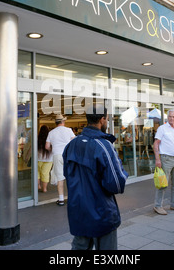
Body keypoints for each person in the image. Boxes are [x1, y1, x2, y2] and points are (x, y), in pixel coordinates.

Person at [63, 104, 128, 250]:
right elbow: (117, 184)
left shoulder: (71, 145)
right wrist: (123, 173)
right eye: (106, 118)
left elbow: (67, 175)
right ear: (102, 119)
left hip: (78, 212)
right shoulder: (104, 145)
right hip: (102, 212)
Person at [153, 109, 174, 215]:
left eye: (173, 117)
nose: (171, 118)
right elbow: (156, 144)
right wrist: (158, 159)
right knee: (163, 183)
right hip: (165, 159)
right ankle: (158, 206)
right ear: (168, 117)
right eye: (170, 116)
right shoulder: (162, 128)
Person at [46, 114, 75, 206]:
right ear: (63, 121)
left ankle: (61, 199)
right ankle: (72, 198)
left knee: (60, 179)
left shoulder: (51, 132)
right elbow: (74, 142)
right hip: (68, 155)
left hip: (57, 155)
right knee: (70, 177)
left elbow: (47, 146)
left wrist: (53, 149)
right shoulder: (69, 130)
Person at [37, 125, 53, 193]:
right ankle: (44, 189)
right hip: (48, 159)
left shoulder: (37, 138)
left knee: (37, 173)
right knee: (45, 174)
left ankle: (38, 186)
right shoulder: (50, 138)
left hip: (38, 158)